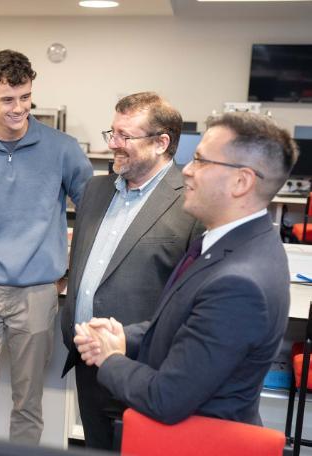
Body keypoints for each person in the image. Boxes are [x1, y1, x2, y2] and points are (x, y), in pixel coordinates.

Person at [75, 111, 297, 426]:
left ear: (241, 181)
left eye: (200, 161)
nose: (187, 172)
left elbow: (167, 397)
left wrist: (108, 357)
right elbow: (183, 324)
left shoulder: (239, 282)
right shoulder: (227, 242)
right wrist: (123, 335)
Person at [0, 49, 92, 444]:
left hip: (37, 292)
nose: (19, 108)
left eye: (25, 97)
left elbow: (93, 210)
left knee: (28, 402)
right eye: (8, 99)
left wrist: (69, 272)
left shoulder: (62, 148)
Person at [59, 92, 201, 450]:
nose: (113, 144)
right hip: (86, 356)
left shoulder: (191, 202)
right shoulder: (95, 189)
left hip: (144, 366)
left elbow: (193, 297)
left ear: (161, 142)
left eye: (125, 136)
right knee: (97, 445)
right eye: (112, 132)